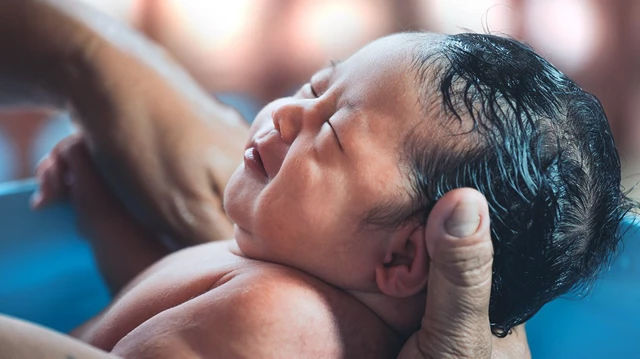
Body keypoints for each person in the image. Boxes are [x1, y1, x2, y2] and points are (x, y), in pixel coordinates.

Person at [3, 0, 627, 357]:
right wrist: (102, 214)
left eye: (329, 132)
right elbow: (149, 315)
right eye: (315, 88)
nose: (285, 114)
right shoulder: (282, 269)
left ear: (405, 255)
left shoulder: (287, 326)